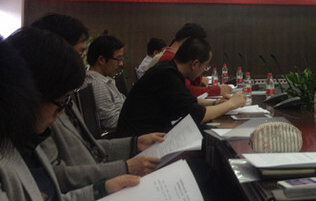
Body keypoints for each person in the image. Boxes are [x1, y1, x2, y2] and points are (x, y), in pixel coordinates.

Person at [30, 13, 164, 201]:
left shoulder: (64, 97)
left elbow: (89, 146)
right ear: (55, 53)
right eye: (80, 53)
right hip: (87, 199)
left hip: (100, 184)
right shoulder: (42, 110)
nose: (83, 62)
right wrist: (121, 170)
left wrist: (135, 143)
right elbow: (57, 177)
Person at [1, 28, 140, 201]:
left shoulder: (28, 141)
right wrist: (122, 167)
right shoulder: (24, 140)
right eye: (81, 53)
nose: (62, 111)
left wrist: (102, 189)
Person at [117, 37, 246, 137]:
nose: (203, 71)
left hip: (146, 135)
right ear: (195, 64)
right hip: (138, 142)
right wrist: (232, 104)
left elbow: (188, 101)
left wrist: (215, 103)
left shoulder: (169, 69)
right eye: (205, 66)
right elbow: (198, 115)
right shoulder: (167, 75)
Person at [146, 23, 232, 98]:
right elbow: (187, 92)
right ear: (188, 40)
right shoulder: (171, 59)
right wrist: (216, 90)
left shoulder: (173, 55)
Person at [85, 35, 127, 130]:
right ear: (101, 60)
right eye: (118, 59)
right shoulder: (97, 85)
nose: (121, 64)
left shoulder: (104, 79)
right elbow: (111, 123)